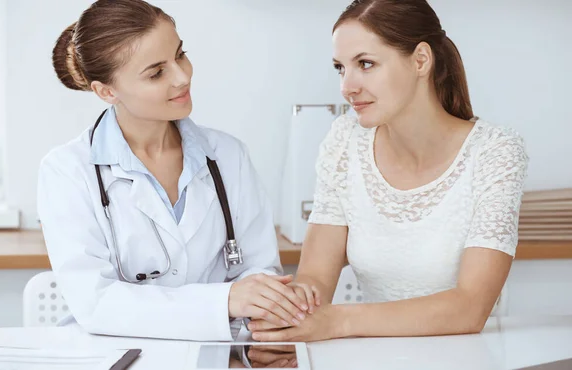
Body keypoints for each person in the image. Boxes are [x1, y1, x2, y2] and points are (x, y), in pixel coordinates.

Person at [249, 0, 529, 342]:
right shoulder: (344, 141)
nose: (347, 86)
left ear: (421, 60)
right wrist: (284, 322)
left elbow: (469, 308)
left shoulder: (494, 152)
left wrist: (337, 322)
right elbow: (314, 283)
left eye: (366, 64)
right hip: (370, 357)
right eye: (340, 67)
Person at [37, 0, 317, 341]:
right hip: (114, 353)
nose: (183, 76)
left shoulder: (228, 156)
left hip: (222, 352)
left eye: (180, 55)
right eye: (157, 72)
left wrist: (268, 306)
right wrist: (225, 300)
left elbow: (259, 269)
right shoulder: (67, 171)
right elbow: (96, 302)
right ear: (106, 91)